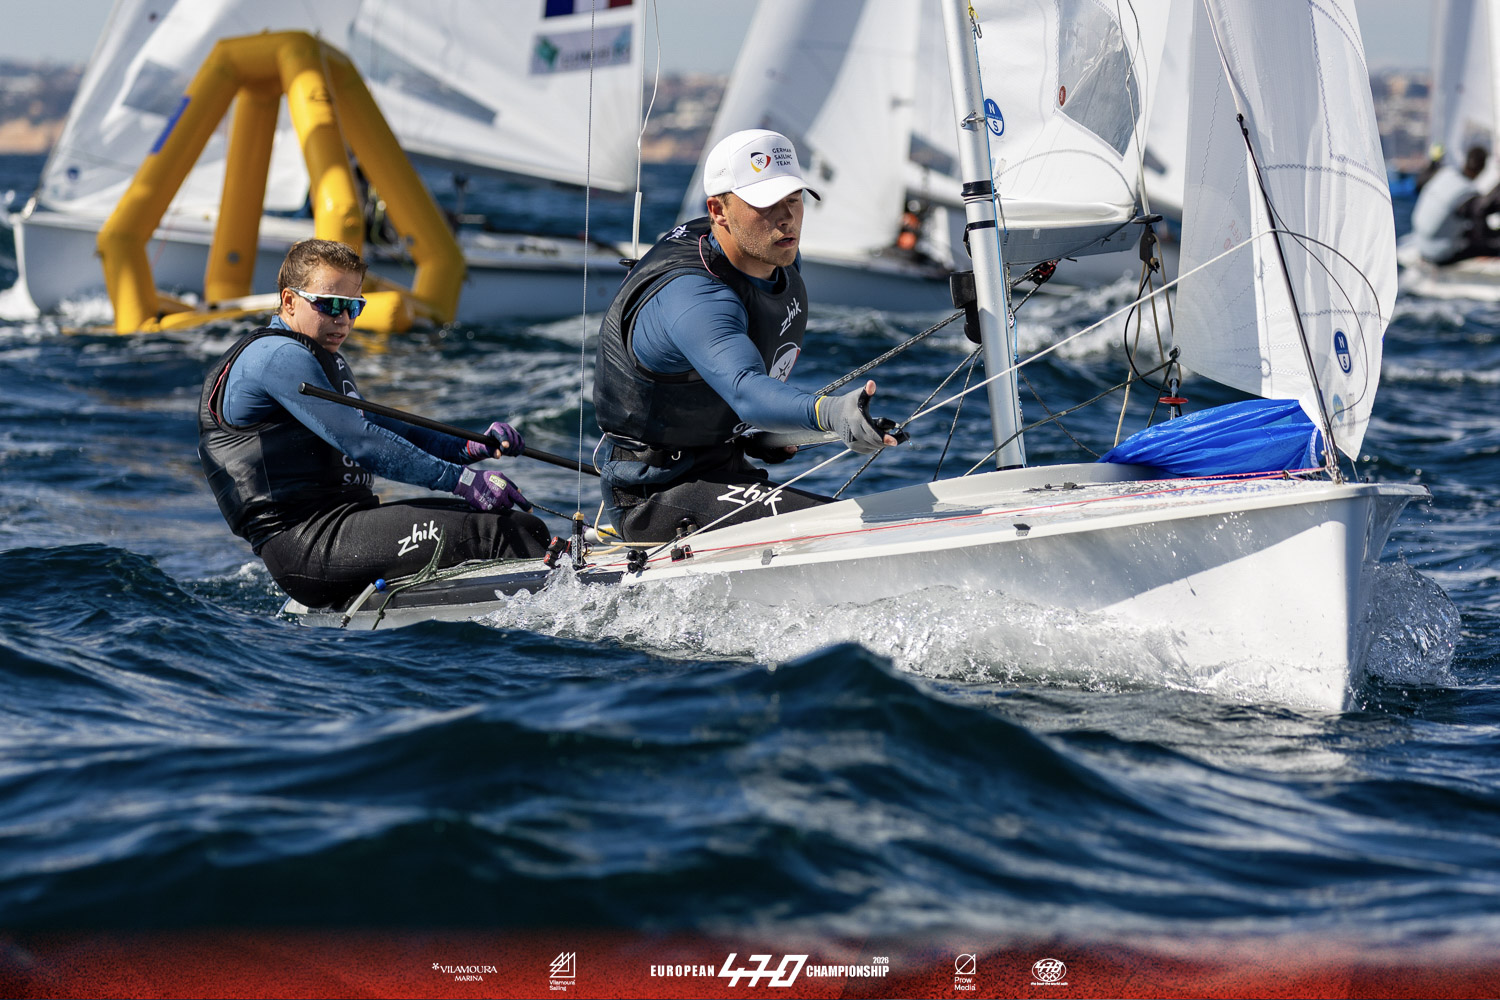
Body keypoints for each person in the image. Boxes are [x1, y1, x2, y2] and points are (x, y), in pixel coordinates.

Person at [198, 239, 549, 608]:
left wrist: (468, 447)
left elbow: (394, 429)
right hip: (309, 545)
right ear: (289, 301)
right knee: (493, 533)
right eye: (331, 305)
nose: (343, 320)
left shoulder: (321, 357)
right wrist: (461, 481)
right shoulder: (278, 356)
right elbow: (362, 443)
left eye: (354, 307)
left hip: (346, 524)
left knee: (521, 526)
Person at [592, 128, 904, 543]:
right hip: (655, 493)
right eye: (766, 204)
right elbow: (745, 390)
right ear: (719, 211)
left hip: (721, 467)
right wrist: (829, 413)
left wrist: (760, 436)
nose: (786, 217)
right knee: (847, 532)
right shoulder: (695, 294)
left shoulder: (776, 257)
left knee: (875, 520)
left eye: (794, 200)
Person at [1410, 145, 1500, 265]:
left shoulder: (1444, 174)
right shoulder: (1467, 195)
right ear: (1482, 168)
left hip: (1419, 245)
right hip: (1438, 255)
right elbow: (1481, 230)